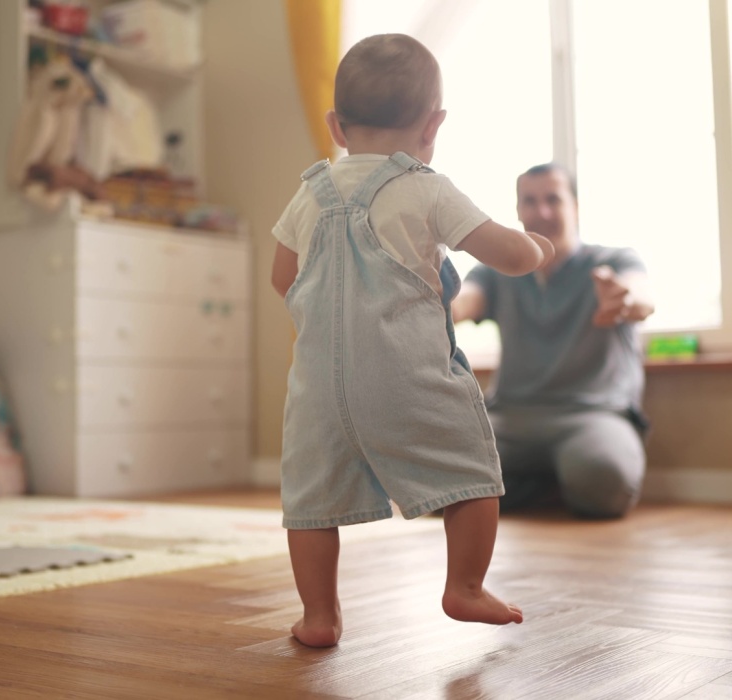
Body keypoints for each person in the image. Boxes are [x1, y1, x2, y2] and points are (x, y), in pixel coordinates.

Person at [271, 33, 554, 648]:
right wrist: (537, 246)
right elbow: (507, 256)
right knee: (474, 473)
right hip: (406, 377)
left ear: (336, 126)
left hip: (317, 388)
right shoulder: (426, 187)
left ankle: (319, 616)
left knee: (312, 503)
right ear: (434, 124)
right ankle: (466, 588)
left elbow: (282, 278)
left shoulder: (309, 192)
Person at [452, 162, 655, 520]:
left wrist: (623, 300)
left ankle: (532, 486)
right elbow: (464, 301)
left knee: (605, 483)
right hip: (510, 418)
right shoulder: (496, 272)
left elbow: (641, 298)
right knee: (443, 480)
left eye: (552, 199)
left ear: (575, 206)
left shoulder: (614, 260)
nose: (541, 211)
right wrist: (435, 301)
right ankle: (550, 486)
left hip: (592, 415)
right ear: (518, 210)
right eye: (529, 201)